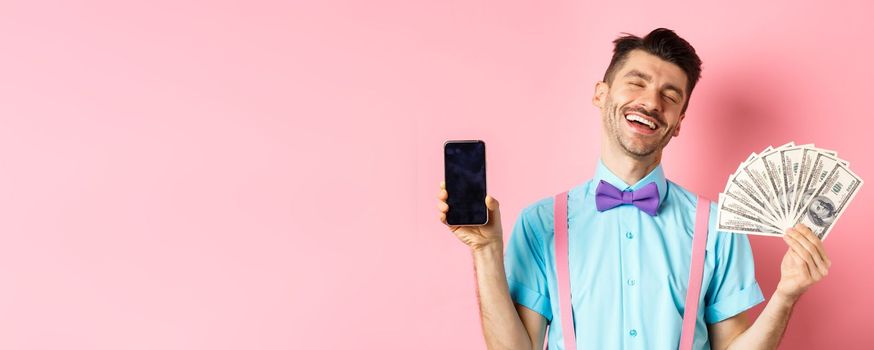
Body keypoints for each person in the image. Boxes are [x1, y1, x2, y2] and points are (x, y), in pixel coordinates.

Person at [437, 28, 831, 349]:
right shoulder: (540, 223)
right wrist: (487, 251)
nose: (650, 102)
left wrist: (786, 294)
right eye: (637, 83)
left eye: (670, 96)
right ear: (601, 94)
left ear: (678, 122)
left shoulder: (718, 226)